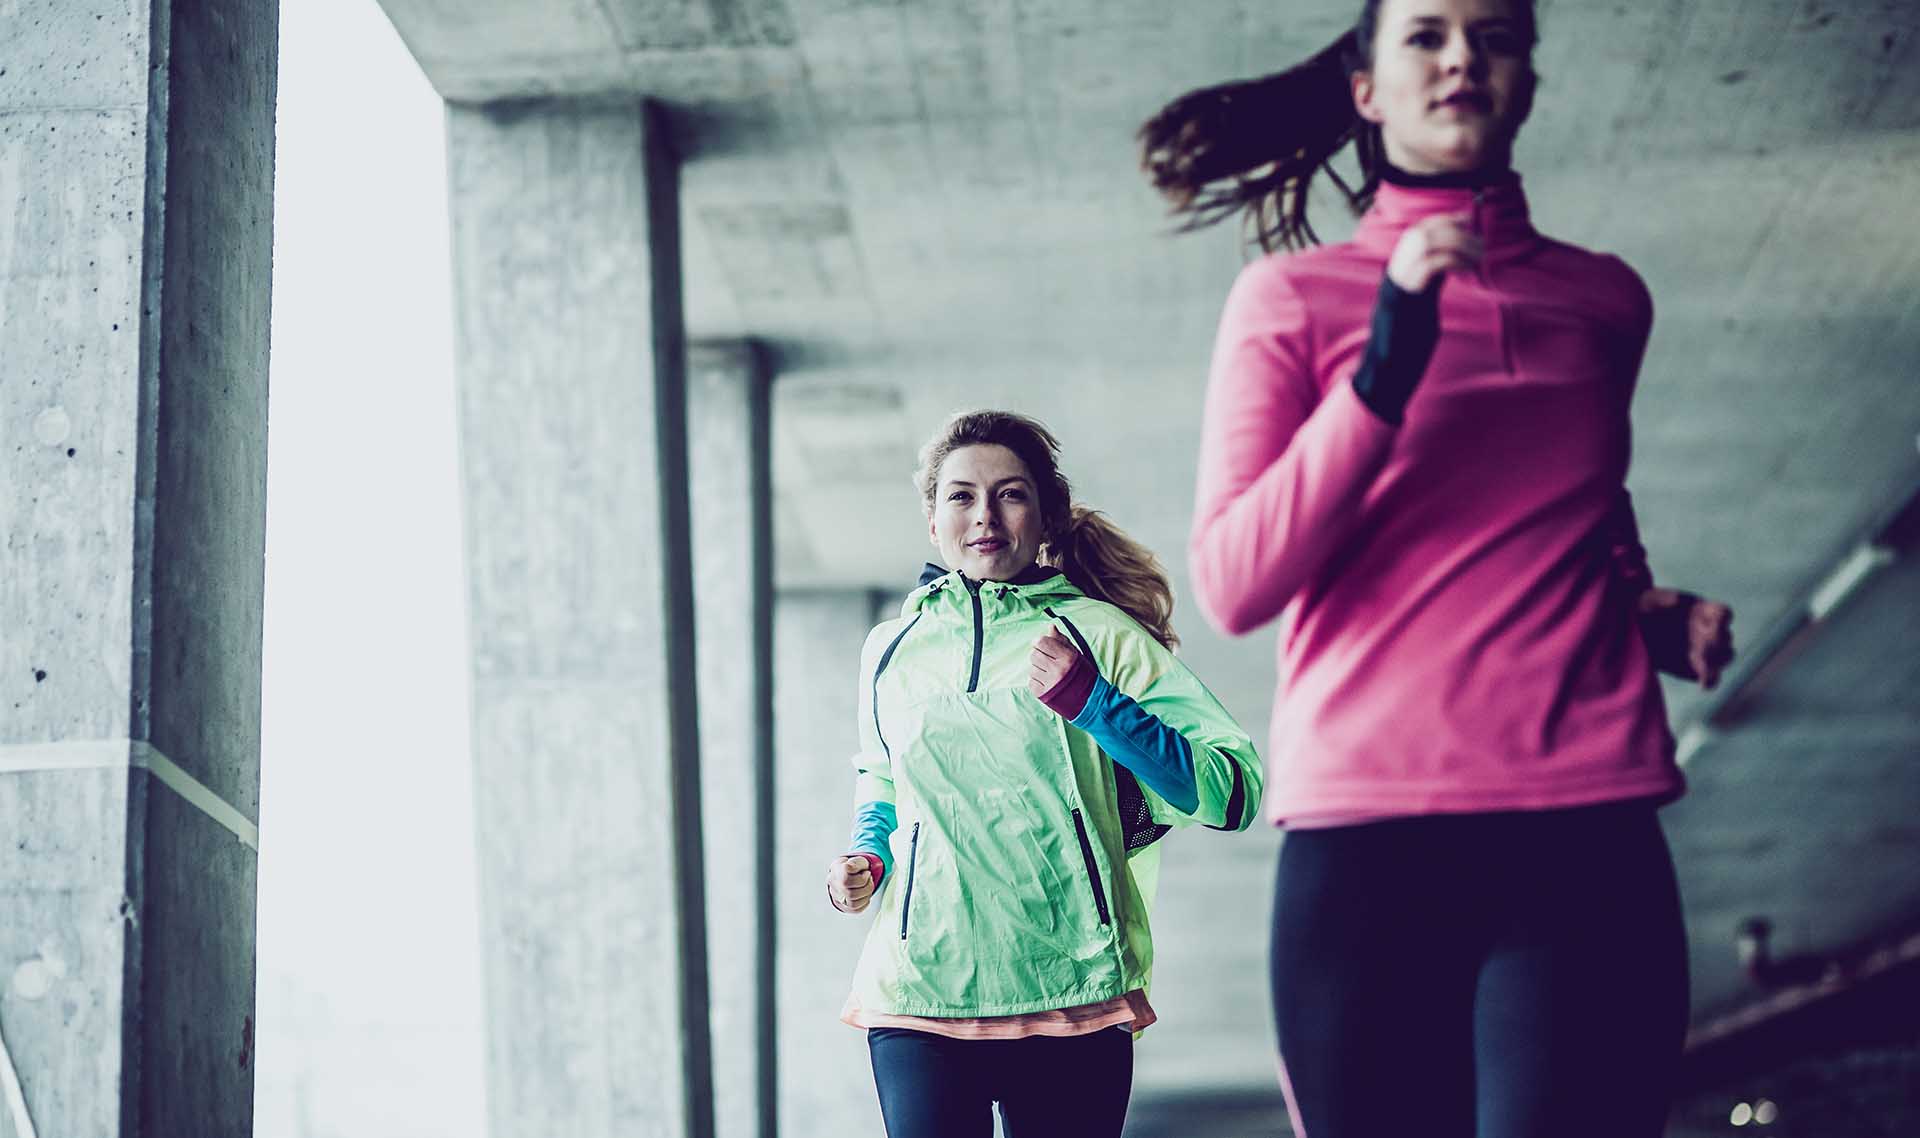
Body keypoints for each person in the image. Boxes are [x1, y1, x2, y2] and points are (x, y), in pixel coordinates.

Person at [1139, 1, 1737, 1135]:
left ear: (1527, 80)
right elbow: (1234, 577)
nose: (1464, 53)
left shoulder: (1604, 300)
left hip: (1586, 825)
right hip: (1370, 840)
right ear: (1367, 89)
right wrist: (1385, 361)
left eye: (1497, 34)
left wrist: (1642, 606)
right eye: (1427, 33)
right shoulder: (1291, 299)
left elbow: (1583, 500)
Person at [824, 409, 1264, 1138]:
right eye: (961, 496)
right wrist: (867, 855)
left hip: (1071, 992)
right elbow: (884, 780)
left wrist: (1095, 704)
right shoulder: (890, 647)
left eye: (1011, 493)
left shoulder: (1102, 635)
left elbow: (1233, 791)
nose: (984, 515)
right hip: (919, 988)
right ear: (932, 521)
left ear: (1046, 513)